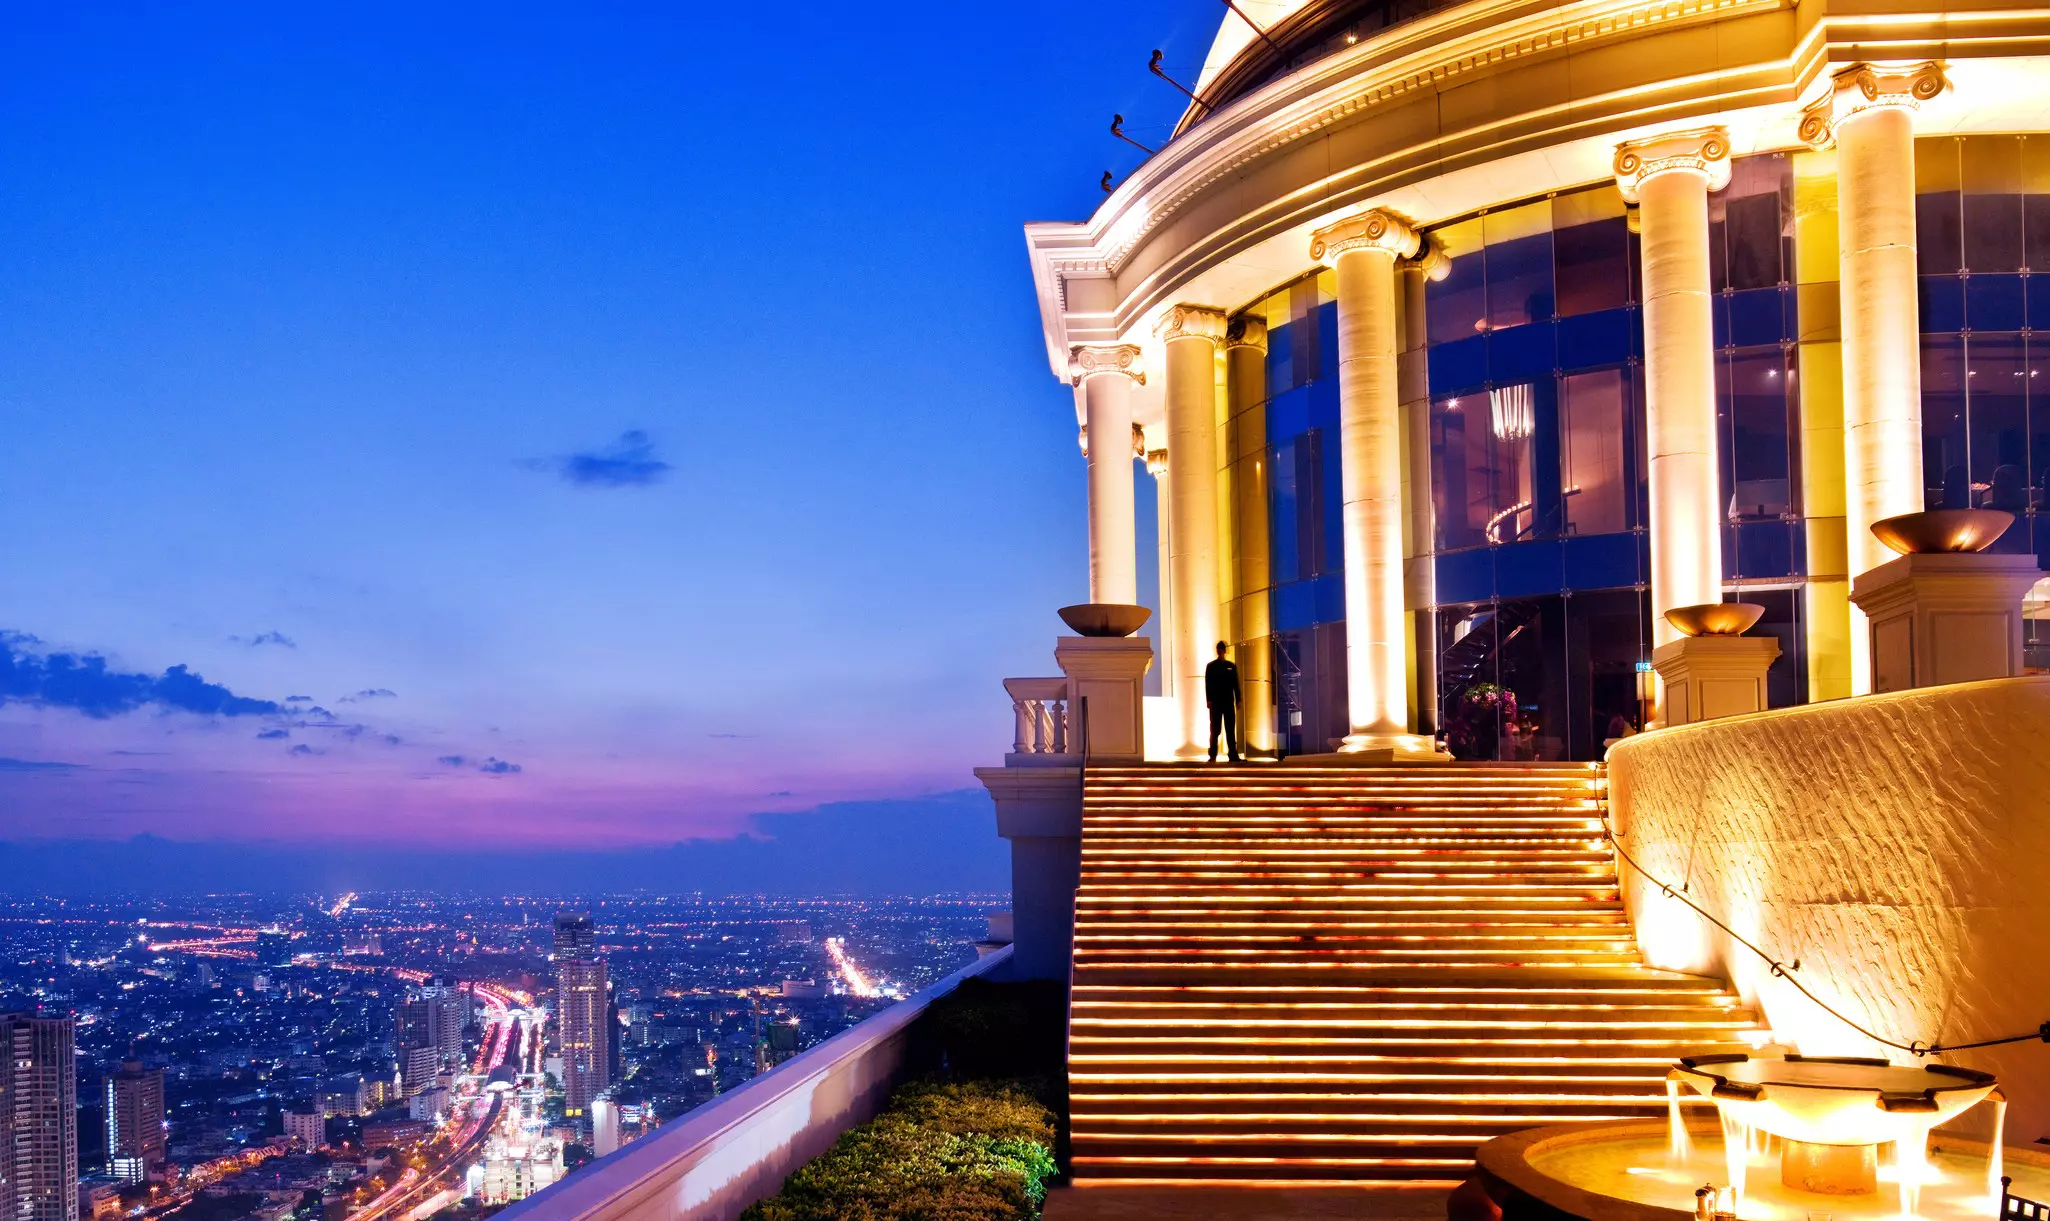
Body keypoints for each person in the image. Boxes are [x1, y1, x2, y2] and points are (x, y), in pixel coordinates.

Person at [1205, 640, 1241, 763]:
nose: (1219, 651)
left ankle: (1232, 754)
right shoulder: (1211, 666)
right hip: (1216, 703)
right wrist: (1209, 700)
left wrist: (1238, 700)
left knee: (1230, 729)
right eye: (1218, 649)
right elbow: (1208, 684)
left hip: (1227, 702)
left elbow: (1236, 684)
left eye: (1220, 649)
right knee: (1215, 730)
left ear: (1224, 651)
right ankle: (1213, 755)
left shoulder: (1231, 666)